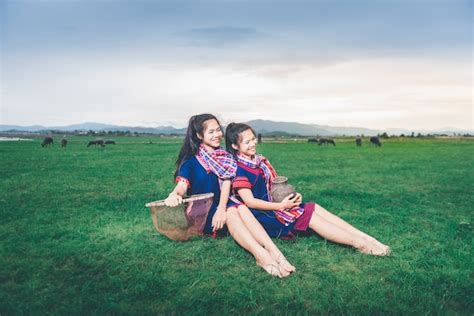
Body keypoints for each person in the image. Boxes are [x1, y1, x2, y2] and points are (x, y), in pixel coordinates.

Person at [225, 122, 391, 256]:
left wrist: (291, 196)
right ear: (235, 146)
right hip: (264, 217)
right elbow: (250, 202)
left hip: (274, 208)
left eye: (253, 138)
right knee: (310, 218)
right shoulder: (241, 169)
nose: (253, 143)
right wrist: (281, 206)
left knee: (314, 207)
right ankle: (359, 244)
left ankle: (366, 237)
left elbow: (272, 188)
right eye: (247, 142)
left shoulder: (258, 162)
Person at [164, 114, 296, 277]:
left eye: (218, 130)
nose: (217, 134)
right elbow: (181, 186)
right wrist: (174, 194)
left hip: (223, 208)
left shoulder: (226, 158)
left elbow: (227, 182)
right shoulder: (191, 162)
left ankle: (275, 252)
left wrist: (221, 209)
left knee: (239, 208)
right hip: (202, 213)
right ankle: (261, 256)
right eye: (211, 132)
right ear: (199, 135)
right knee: (233, 210)